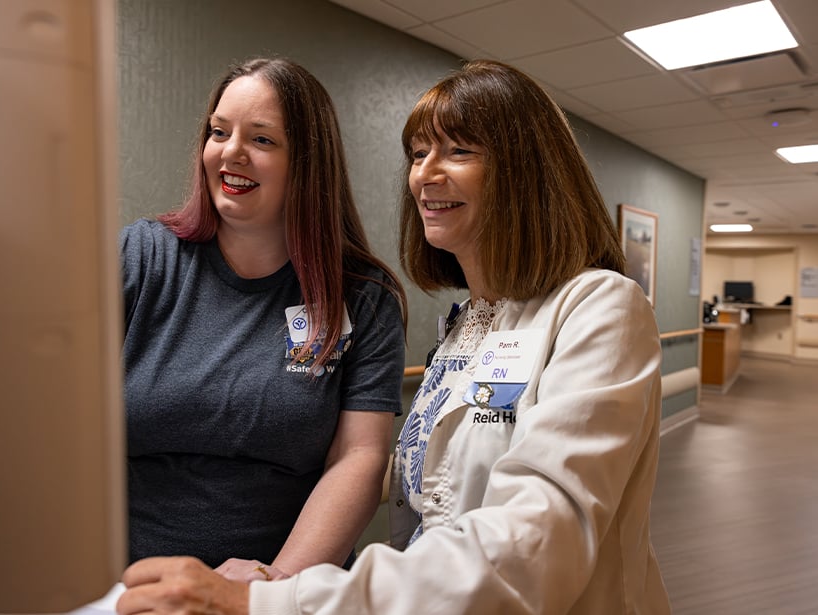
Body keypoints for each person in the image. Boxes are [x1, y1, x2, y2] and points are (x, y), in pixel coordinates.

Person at [117, 59, 671, 614]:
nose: (425, 173)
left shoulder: (600, 307)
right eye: (418, 153)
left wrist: (276, 595)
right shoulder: (467, 329)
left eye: (458, 150)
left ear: (525, 171)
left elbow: (538, 541)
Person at [119, 57, 407, 584]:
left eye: (263, 140)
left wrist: (271, 583)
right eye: (219, 132)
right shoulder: (141, 257)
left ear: (309, 162)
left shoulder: (364, 298)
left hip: (282, 588)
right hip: (132, 583)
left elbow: (358, 458)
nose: (231, 153)